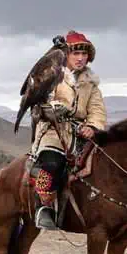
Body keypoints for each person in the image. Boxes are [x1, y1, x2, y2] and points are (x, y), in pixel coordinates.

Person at [31, 30, 107, 230]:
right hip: (53, 132)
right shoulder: (52, 76)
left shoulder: (91, 85)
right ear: (66, 54)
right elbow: (40, 105)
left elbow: (97, 110)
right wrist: (52, 111)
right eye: (76, 53)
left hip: (82, 135)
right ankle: (44, 207)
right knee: (52, 163)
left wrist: (92, 126)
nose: (81, 58)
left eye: (84, 54)